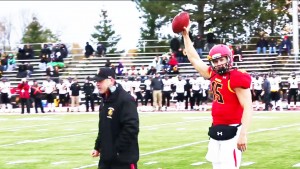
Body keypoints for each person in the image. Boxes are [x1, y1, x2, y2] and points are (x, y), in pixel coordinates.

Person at [182, 23, 253, 169]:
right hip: (216, 129)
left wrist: (243, 134)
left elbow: (248, 107)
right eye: (215, 61)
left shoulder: (236, 77)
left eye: (222, 60)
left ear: (229, 59)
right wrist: (186, 36)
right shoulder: (212, 73)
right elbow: (194, 59)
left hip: (233, 130)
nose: (219, 64)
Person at [91, 67, 139, 169]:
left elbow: (131, 128)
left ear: (111, 80)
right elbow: (103, 127)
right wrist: (98, 146)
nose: (97, 84)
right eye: (96, 81)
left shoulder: (125, 100)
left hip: (123, 160)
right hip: (106, 159)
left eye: (100, 81)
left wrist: (116, 149)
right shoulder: (105, 100)